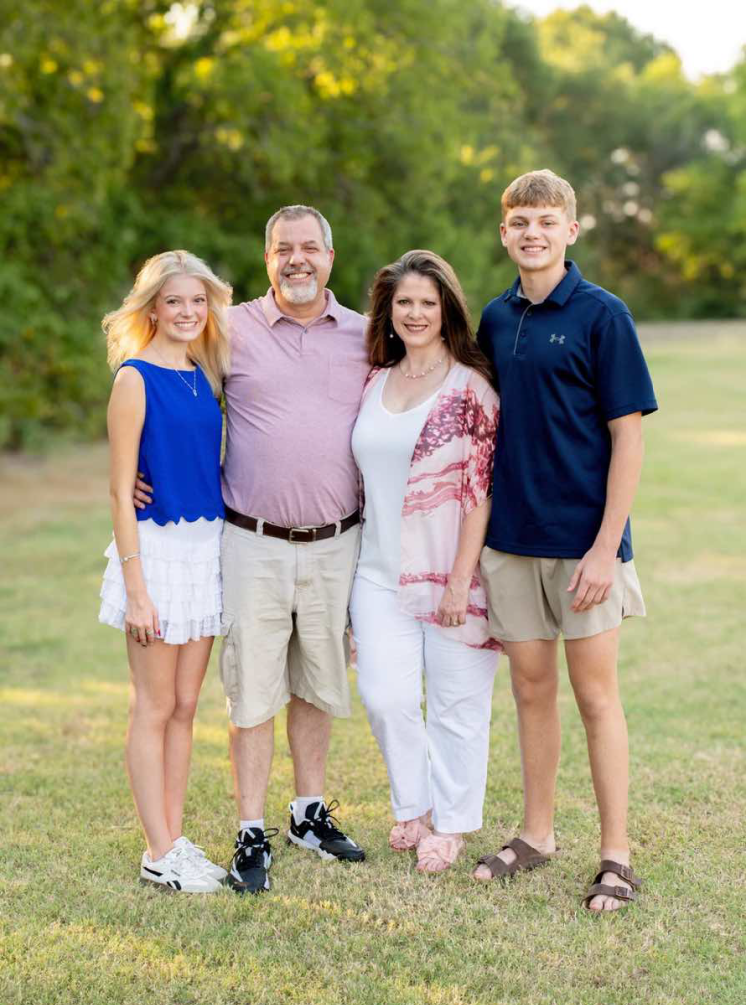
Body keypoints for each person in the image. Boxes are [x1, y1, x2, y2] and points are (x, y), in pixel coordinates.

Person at [135, 207, 369, 894]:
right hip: (250, 540)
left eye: (309, 248)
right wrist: (132, 474)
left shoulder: (364, 334)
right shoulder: (227, 330)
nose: (297, 260)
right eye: (282, 249)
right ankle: (249, 827)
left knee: (318, 681)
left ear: (330, 254)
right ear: (267, 259)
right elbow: (161, 381)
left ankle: (307, 812)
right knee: (252, 690)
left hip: (336, 541)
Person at [472, 170, 658, 910]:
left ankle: (616, 855)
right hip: (512, 541)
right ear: (505, 232)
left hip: (586, 546)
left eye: (546, 221)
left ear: (571, 231)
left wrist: (606, 547)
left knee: (596, 697)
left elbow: (628, 439)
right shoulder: (494, 317)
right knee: (529, 690)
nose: (532, 233)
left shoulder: (602, 315)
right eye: (519, 221)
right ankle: (538, 834)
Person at [349, 250, 501, 873]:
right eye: (403, 302)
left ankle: (452, 821)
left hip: (451, 575)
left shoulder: (471, 390)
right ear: (388, 311)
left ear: (447, 312)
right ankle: (411, 802)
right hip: (378, 571)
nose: (414, 313)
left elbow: (481, 492)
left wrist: (461, 580)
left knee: (457, 706)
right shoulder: (373, 381)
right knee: (385, 697)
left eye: (427, 303)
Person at [99, 250, 232, 892]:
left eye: (197, 301)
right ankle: (158, 852)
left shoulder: (203, 373)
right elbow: (122, 492)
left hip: (205, 550)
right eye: (174, 301)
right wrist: (137, 590)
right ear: (151, 307)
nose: (187, 312)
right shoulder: (135, 377)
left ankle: (175, 841)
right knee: (153, 705)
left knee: (185, 706)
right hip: (154, 555)